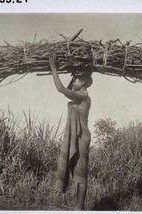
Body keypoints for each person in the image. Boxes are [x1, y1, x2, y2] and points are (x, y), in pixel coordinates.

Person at [49, 54, 93, 210]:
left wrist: (53, 67)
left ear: (81, 82)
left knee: (80, 174)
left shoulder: (83, 96)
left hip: (81, 138)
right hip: (79, 137)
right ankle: (78, 207)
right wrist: (75, 73)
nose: (72, 83)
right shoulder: (79, 96)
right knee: (76, 171)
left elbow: (61, 89)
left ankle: (80, 208)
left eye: (74, 80)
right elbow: (67, 89)